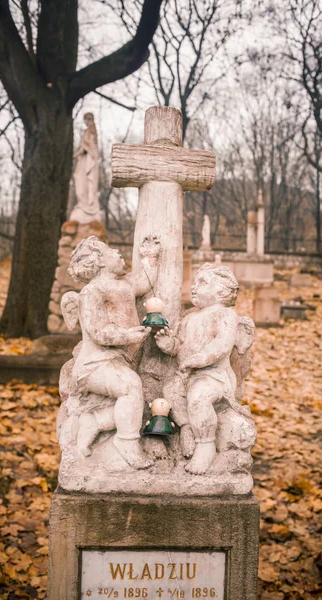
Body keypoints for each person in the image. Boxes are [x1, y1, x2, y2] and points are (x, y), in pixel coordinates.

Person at [61, 235, 160, 469]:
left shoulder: (124, 284)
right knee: (130, 387)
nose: (118, 252)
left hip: (116, 360)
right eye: (111, 251)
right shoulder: (92, 291)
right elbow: (98, 331)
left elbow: (145, 280)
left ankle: (93, 422)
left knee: (134, 397)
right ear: (100, 262)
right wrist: (128, 336)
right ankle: (127, 443)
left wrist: (150, 255)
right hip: (93, 364)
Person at [155, 263, 240, 474]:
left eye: (202, 282)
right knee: (170, 392)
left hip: (214, 376)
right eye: (194, 282)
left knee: (199, 396)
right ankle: (186, 429)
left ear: (221, 290)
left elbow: (222, 345)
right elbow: (180, 346)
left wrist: (199, 359)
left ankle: (206, 445)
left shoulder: (225, 315)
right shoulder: (189, 319)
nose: (193, 287)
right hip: (188, 375)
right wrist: (169, 345)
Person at [70, 112, 101, 223]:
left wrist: (78, 154)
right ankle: (83, 204)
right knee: (78, 178)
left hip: (89, 160)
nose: (86, 122)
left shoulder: (90, 132)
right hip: (85, 159)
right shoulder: (88, 131)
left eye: (87, 120)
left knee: (84, 180)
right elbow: (85, 147)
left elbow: (88, 146)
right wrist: (77, 154)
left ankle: (88, 206)